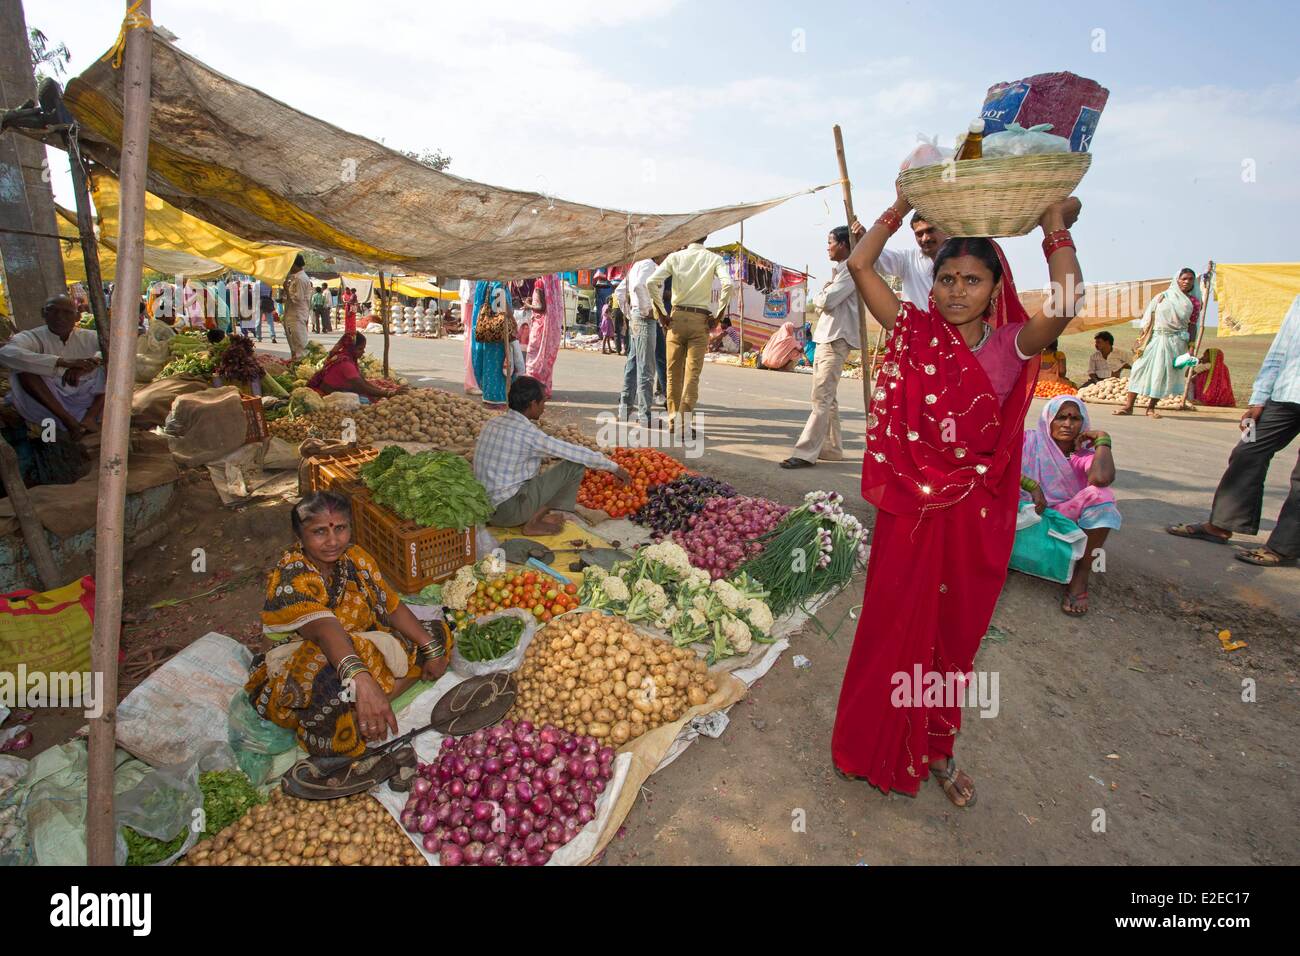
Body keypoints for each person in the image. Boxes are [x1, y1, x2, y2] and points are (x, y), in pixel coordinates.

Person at [832, 182, 1084, 808]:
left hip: (973, 513)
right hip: (911, 510)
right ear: (932, 280)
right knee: (891, 625)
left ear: (996, 288)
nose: (956, 291)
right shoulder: (914, 330)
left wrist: (1054, 225)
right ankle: (869, 744)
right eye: (947, 277)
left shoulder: (1009, 346)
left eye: (972, 280)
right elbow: (860, 264)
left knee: (953, 635)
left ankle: (938, 751)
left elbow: (1068, 301)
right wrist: (896, 206)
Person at [246, 492, 450, 757]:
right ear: (299, 537)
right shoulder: (292, 575)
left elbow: (392, 606)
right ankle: (360, 709)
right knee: (325, 675)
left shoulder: (355, 557)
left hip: (356, 646)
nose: (333, 541)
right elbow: (324, 630)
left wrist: (431, 648)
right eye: (319, 532)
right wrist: (362, 680)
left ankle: (370, 708)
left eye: (340, 529)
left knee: (436, 632)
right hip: (298, 664)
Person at [1166, 296, 1300, 567]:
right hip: (1286, 394)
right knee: (1247, 450)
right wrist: (1259, 398)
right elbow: (1281, 348)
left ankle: (1284, 547)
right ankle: (1220, 525)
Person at [474, 376, 631, 536]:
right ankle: (533, 523)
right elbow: (576, 454)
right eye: (543, 402)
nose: (544, 407)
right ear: (532, 404)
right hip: (508, 512)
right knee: (574, 466)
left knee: (535, 474)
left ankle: (532, 514)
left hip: (483, 509)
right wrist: (615, 468)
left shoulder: (493, 424)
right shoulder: (529, 435)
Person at [1019, 396, 1120, 615]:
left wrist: (1103, 440)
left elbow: (1102, 479)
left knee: (1103, 498)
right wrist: (1031, 485)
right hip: (1024, 510)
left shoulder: (1081, 455)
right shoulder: (1027, 441)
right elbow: (998, 464)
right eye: (1061, 417)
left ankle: (1081, 575)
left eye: (1075, 418)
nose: (1068, 424)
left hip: (1060, 518)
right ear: (1048, 419)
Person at [782, 225, 860, 469]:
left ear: (844, 245)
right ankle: (832, 448)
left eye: (830, 242)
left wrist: (822, 292)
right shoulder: (842, 270)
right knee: (829, 397)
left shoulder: (849, 269)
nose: (827, 247)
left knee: (821, 398)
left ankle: (805, 452)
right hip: (829, 336)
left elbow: (826, 301)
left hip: (836, 337)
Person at [648, 239, 734, 432]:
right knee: (692, 376)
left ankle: (672, 421)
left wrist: (660, 312)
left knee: (672, 374)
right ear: (706, 237)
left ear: (688, 238)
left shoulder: (675, 257)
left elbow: (651, 282)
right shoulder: (714, 258)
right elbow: (728, 285)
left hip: (676, 319)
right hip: (700, 321)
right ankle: (683, 424)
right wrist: (719, 315)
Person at [0, 294, 106, 439]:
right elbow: (6, 354)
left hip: (88, 397)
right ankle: (69, 422)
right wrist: (62, 362)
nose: (60, 317)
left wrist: (92, 362)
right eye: (53, 311)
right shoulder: (32, 337)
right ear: (43, 313)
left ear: (77, 317)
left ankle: (90, 418)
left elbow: (116, 349)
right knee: (24, 371)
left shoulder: (91, 337)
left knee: (112, 367)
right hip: (49, 403)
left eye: (67, 312)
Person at [1116, 268, 1200, 417]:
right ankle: (1128, 406)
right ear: (1177, 280)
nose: (1187, 282)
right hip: (1154, 339)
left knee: (1161, 374)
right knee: (1138, 369)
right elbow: (1149, 318)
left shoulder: (1193, 302)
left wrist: (1191, 345)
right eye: (1184, 278)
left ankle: (1151, 408)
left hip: (1175, 342)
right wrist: (1140, 339)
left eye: (1190, 279)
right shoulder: (1163, 297)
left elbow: (1192, 325)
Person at [614, 256, 660, 427]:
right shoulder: (650, 265)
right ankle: (644, 415)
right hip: (644, 319)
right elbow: (638, 286)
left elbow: (620, 292)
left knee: (633, 365)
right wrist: (645, 310)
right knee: (646, 368)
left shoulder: (637, 265)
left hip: (636, 317)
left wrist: (630, 314)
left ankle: (624, 410)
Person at [875, 212, 951, 305]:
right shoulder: (907, 261)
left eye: (930, 230)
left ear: (945, 230)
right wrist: (862, 239)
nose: (925, 238)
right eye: (919, 234)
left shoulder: (964, 259)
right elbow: (873, 257)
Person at [307, 332, 405, 400]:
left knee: (372, 395)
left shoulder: (344, 357)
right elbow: (362, 386)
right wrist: (389, 394)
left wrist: (385, 391)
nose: (363, 352)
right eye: (360, 349)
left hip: (333, 390)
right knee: (366, 399)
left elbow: (362, 381)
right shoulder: (345, 363)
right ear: (351, 348)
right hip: (330, 395)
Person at [469, 280, 513, 407]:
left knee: (487, 363)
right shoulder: (499, 285)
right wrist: (512, 318)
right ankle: (497, 397)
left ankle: (488, 394)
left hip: (486, 330)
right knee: (498, 365)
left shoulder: (482, 283)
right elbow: (500, 308)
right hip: (498, 333)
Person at [282, 254, 314, 361]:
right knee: (296, 344)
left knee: (300, 345)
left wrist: (286, 289)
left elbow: (298, 299)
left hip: (297, 314)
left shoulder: (300, 279)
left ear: (295, 265)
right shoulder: (297, 277)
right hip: (294, 314)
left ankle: (302, 367)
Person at [257, 279, 278, 343]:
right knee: (270, 321)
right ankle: (272, 336)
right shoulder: (270, 283)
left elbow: (255, 294)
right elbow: (272, 294)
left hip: (260, 302)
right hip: (268, 302)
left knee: (258, 321)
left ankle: (259, 337)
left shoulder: (257, 284)